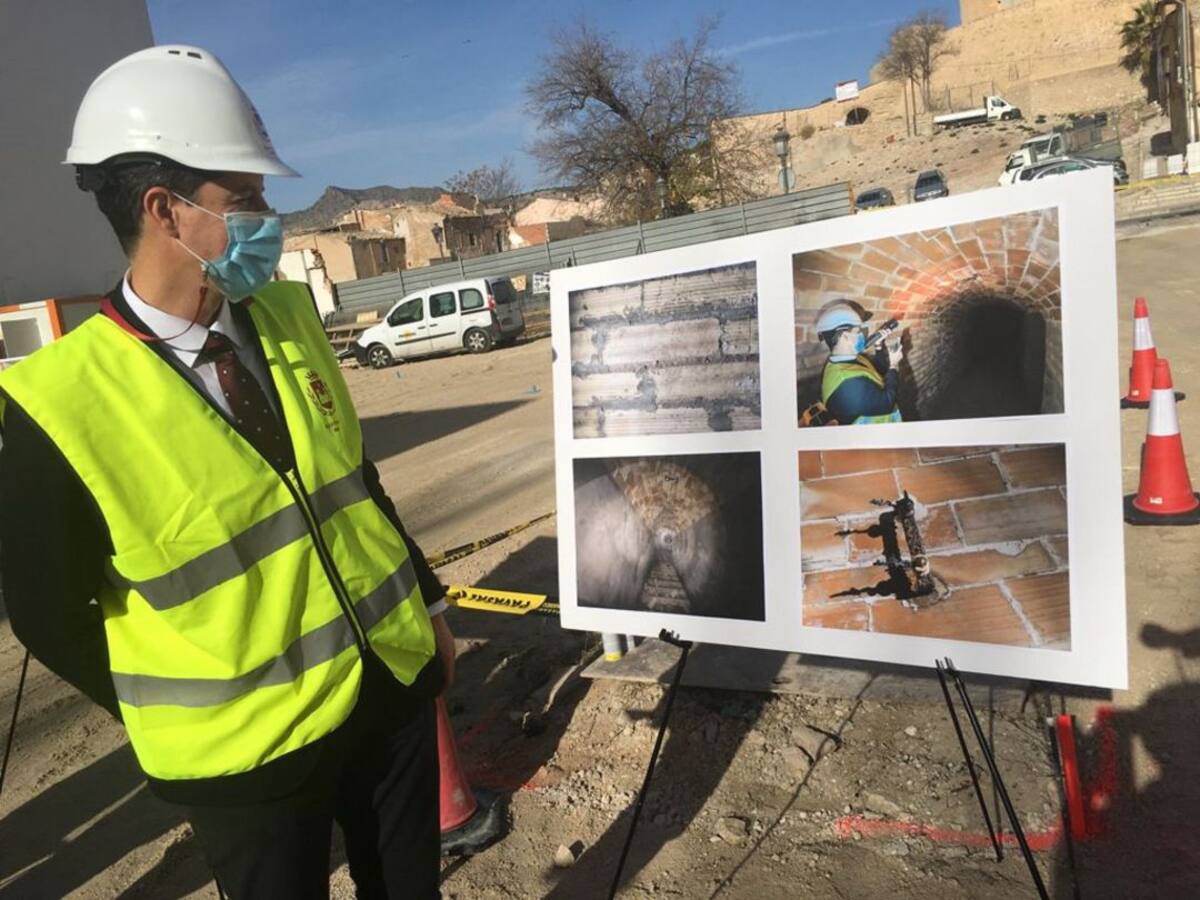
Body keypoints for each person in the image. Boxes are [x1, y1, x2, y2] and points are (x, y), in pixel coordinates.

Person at [0, 45, 454, 898]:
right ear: (165, 210)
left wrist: (426, 602)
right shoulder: (55, 402)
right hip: (249, 764)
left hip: (387, 686)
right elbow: (45, 616)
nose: (269, 217)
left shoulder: (285, 313)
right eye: (244, 199)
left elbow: (353, 479)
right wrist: (186, 706)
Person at [815, 302, 904, 425]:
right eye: (858, 331)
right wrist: (894, 365)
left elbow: (877, 373)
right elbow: (888, 403)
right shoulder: (848, 384)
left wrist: (878, 347)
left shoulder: (850, 359)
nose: (863, 334)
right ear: (845, 336)